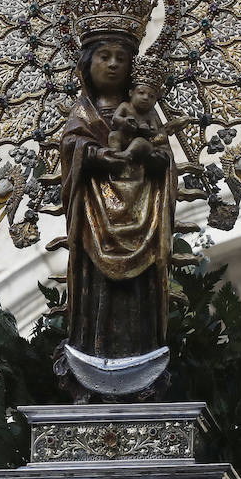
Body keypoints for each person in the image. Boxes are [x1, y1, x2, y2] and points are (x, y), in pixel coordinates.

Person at [60, 36, 177, 365]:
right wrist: (97, 155)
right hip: (94, 220)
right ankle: (93, 354)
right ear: (87, 63)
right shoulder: (84, 112)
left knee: (139, 295)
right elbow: (72, 147)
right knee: (96, 291)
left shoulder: (146, 114)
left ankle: (142, 355)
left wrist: (150, 157)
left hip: (144, 217)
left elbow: (164, 158)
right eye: (104, 57)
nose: (112, 64)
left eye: (121, 59)